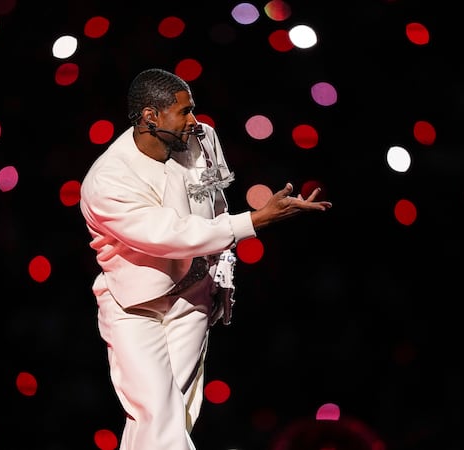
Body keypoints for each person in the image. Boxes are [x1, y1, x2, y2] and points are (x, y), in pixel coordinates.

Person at [79, 67, 333, 450]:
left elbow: (213, 204)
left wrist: (219, 282)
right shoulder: (107, 180)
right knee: (157, 413)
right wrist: (257, 219)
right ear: (150, 117)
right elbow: (169, 236)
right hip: (135, 306)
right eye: (184, 112)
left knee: (168, 414)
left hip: (193, 295)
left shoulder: (202, 138)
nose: (195, 121)